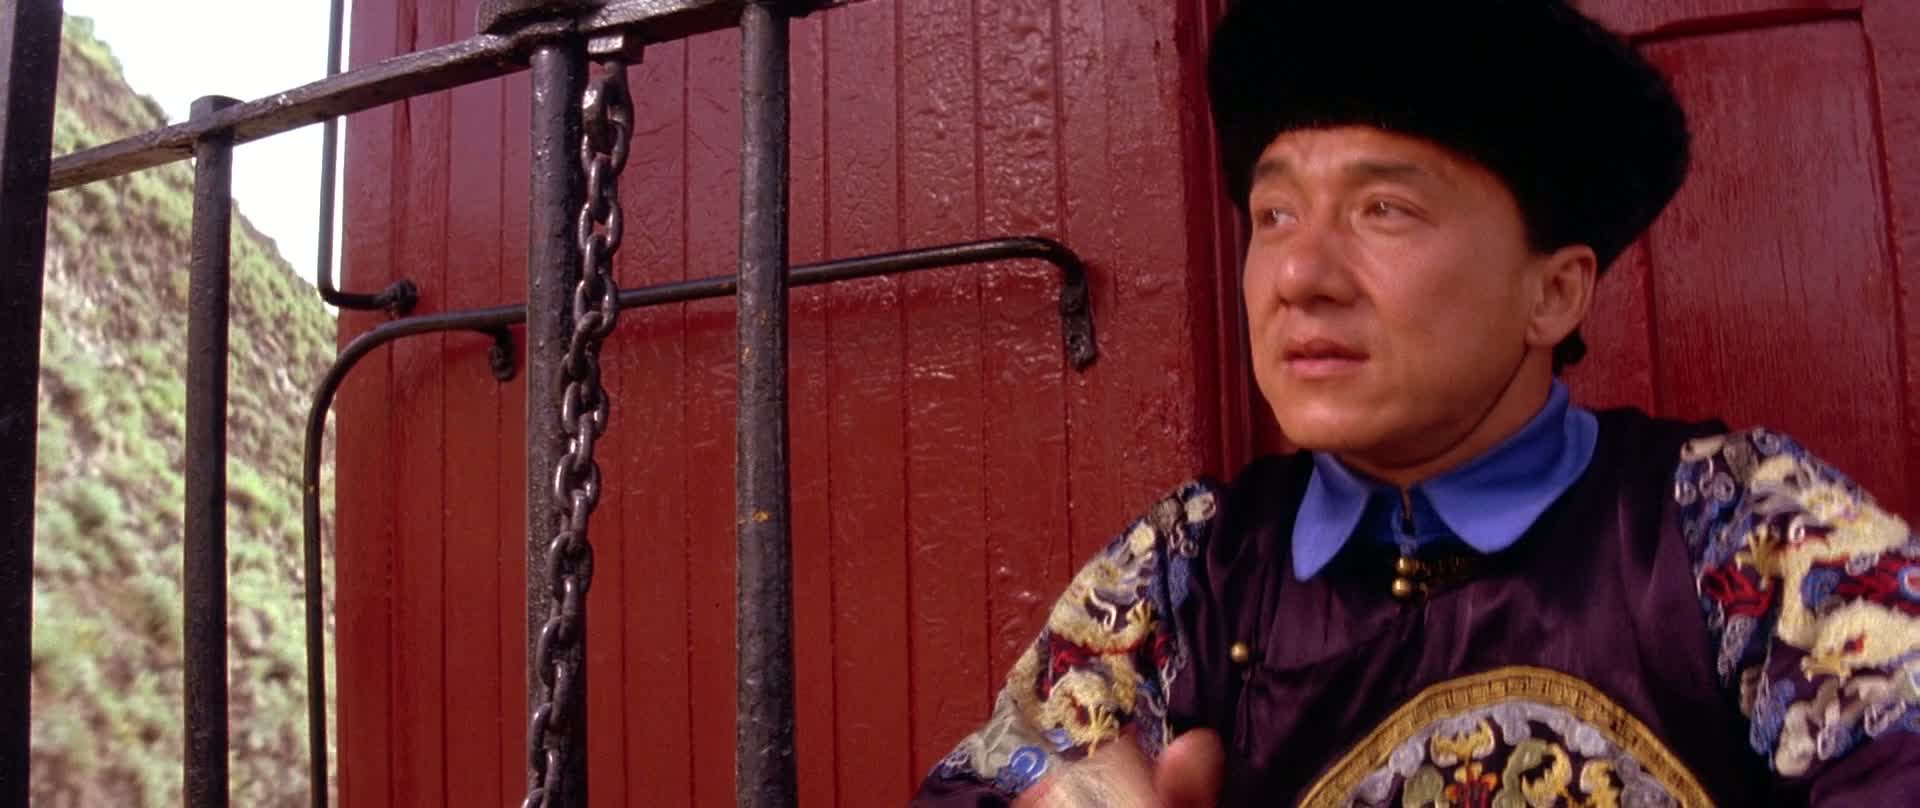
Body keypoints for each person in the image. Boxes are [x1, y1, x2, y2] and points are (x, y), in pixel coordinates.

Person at [911, 1, 1920, 805]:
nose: (1298, 274)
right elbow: (1001, 773)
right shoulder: (1195, 567)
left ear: (1553, 291)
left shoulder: (1736, 524)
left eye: (1383, 208)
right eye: (1274, 213)